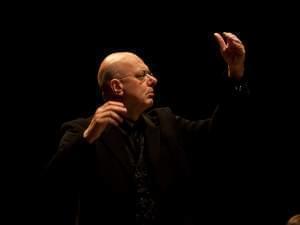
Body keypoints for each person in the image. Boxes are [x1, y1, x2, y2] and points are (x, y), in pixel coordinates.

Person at [45, 32, 250, 225]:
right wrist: (87, 137)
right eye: (142, 74)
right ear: (117, 86)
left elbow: (218, 133)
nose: (153, 80)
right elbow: (54, 184)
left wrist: (235, 75)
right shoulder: (81, 130)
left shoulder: (165, 121)